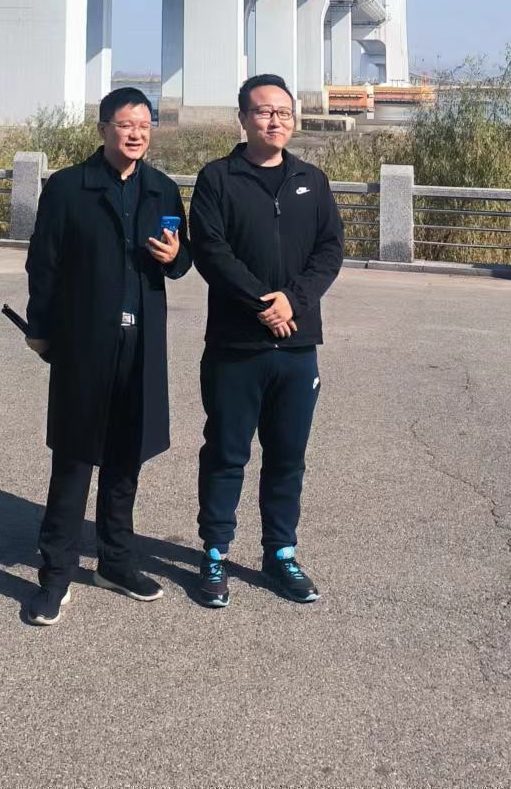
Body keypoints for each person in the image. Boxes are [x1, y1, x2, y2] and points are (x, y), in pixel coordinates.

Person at [21, 85, 191, 626]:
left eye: (144, 125)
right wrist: (41, 328)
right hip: (84, 340)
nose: (136, 133)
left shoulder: (162, 190)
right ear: (103, 129)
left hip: (141, 341)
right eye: (125, 124)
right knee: (74, 457)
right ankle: (55, 575)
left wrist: (175, 256)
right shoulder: (69, 187)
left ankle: (116, 562)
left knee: (126, 454)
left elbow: (181, 261)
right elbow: (43, 262)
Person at [188, 72, 344, 607]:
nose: (275, 120)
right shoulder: (217, 178)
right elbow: (211, 251)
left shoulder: (312, 180)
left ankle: (280, 552)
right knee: (226, 453)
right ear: (243, 118)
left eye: (283, 112)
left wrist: (292, 302)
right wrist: (262, 304)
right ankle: (214, 552)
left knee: (287, 457)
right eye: (263, 111)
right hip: (236, 346)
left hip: (297, 346)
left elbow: (330, 250)